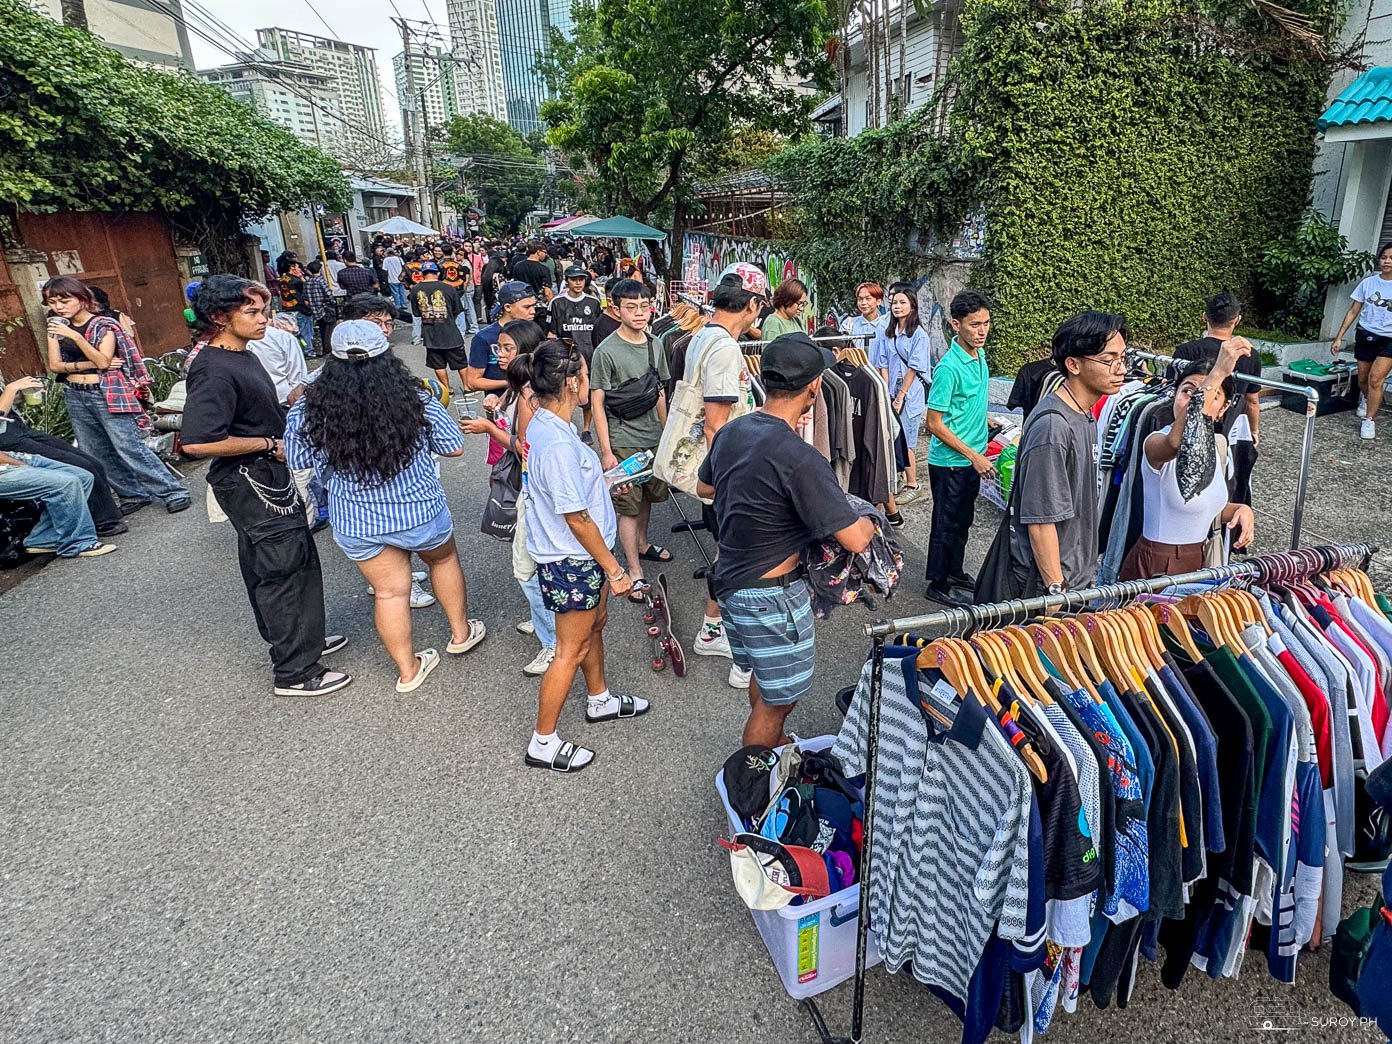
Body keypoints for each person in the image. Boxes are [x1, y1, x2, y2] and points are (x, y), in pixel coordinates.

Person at [285, 321, 486, 692]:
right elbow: (453, 446)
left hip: (356, 519)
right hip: (418, 509)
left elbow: (298, 459)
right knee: (443, 561)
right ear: (386, 356)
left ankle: (408, 671)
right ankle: (461, 634)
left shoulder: (308, 409)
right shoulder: (416, 398)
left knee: (390, 593)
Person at [697, 333, 874, 746]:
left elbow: (705, 488)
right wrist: (869, 519)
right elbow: (854, 540)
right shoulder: (800, 457)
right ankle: (755, 773)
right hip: (770, 596)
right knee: (779, 702)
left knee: (766, 681)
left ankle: (773, 746)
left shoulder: (733, 431)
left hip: (730, 581)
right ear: (814, 386)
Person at [181, 275, 351, 698]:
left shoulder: (243, 354)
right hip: (251, 481)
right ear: (220, 317)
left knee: (293, 560)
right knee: (281, 569)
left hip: (267, 475)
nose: (263, 320)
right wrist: (268, 444)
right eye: (252, 312)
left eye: (265, 310)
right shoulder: (214, 368)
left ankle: (302, 640)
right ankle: (295, 671)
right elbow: (198, 441)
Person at [521, 339, 648, 774]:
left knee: (594, 626)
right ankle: (542, 741)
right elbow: (575, 518)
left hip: (580, 554)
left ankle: (599, 698)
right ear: (572, 383)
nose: (589, 383)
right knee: (568, 650)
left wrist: (606, 481)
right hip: (572, 559)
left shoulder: (549, 425)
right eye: (585, 375)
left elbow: (573, 495)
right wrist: (615, 570)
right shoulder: (556, 441)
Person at [661, 263, 769, 687]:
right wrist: (731, 485)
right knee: (741, 559)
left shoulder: (704, 335)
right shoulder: (725, 348)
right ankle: (735, 647)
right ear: (753, 304)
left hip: (713, 471)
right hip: (724, 474)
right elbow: (716, 426)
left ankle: (712, 629)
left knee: (729, 554)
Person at [41, 277, 191, 514]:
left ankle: (172, 491)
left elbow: (103, 361)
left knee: (129, 446)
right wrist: (85, 364)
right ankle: (132, 494)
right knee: (96, 450)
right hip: (75, 394)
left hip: (106, 392)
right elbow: (55, 365)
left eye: (64, 300)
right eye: (52, 302)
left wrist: (76, 337)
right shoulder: (55, 327)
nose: (58, 307)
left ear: (82, 299)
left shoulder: (103, 325)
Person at [1007, 310, 1129, 596]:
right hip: (1050, 587)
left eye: (1123, 358)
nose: (1121, 369)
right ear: (1073, 364)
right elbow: (1040, 521)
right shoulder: (1053, 427)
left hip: (1075, 580)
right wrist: (1055, 589)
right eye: (1109, 360)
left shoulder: (1084, 414)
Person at [1120, 347, 1257, 580]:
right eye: (1187, 391)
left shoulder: (1216, 447)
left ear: (1224, 408)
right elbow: (1176, 442)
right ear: (1174, 395)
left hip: (1198, 562)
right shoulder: (1156, 442)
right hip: (1157, 565)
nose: (1193, 400)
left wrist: (1241, 509)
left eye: (1213, 395)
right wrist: (1217, 373)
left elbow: (1203, 510)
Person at [589, 278, 671, 598]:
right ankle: (634, 572)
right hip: (623, 438)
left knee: (648, 496)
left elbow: (658, 391)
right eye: (631, 307)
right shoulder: (606, 351)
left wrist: (667, 433)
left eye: (644, 306)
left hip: (653, 436)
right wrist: (606, 451)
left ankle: (643, 543)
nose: (639, 313)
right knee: (628, 506)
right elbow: (597, 402)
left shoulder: (656, 344)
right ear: (616, 309)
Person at [922, 291, 993, 605]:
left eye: (986, 323)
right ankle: (938, 583)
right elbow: (934, 423)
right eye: (974, 325)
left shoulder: (979, 355)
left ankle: (955, 572)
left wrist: (984, 419)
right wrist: (973, 455)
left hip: (970, 460)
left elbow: (962, 405)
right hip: (951, 462)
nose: (982, 330)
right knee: (946, 524)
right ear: (956, 324)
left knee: (962, 521)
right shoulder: (949, 368)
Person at [0, 377, 126, 536]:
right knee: (80, 466)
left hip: (18, 430)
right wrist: (11, 388)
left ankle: (104, 515)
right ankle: (101, 522)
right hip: (7, 442)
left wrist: (18, 395)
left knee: (92, 463)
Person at [1171, 290, 1263, 503]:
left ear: (1204, 317)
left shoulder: (1185, 351)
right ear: (1237, 320)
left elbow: (1171, 393)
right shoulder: (1250, 355)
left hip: (1188, 429)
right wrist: (1254, 430)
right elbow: (1252, 400)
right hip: (1230, 428)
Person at [872, 282, 932, 504]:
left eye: (902, 303)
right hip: (891, 388)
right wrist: (886, 392)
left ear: (912, 305)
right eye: (894, 303)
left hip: (910, 391)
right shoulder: (889, 332)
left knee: (907, 437)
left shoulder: (919, 335)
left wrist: (901, 396)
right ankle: (896, 478)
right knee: (892, 434)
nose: (897, 307)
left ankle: (913, 484)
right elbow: (883, 363)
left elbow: (914, 368)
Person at [0, 448, 116, 558]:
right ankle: (76, 544)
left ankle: (44, 538)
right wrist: (23, 467)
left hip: (7, 456)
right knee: (64, 483)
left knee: (83, 477)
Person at [1330, 241, 1392, 441]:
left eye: (1391, 258)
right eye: (1384, 257)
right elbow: (1353, 311)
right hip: (1366, 334)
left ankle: (1369, 420)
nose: (1387, 261)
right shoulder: (1368, 283)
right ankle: (1367, 398)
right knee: (1363, 380)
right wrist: (1339, 337)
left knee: (1375, 379)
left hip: (1389, 340)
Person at [409, 261, 469, 396]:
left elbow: (416, 313)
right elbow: (457, 309)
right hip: (450, 330)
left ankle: (447, 389)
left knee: (438, 364)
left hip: (430, 333)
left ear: (423, 274)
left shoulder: (415, 290)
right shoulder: (448, 288)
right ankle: (467, 386)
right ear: (437, 273)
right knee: (460, 362)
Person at [468, 281, 537, 396]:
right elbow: (472, 382)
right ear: (508, 307)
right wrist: (511, 383)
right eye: (526, 307)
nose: (533, 311)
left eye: (534, 305)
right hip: (498, 401)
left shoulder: (534, 330)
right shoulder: (484, 337)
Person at [277, 259, 317, 354]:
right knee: (305, 332)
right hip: (300, 308)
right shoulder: (296, 280)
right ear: (292, 267)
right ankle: (308, 350)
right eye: (298, 267)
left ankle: (300, 350)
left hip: (288, 308)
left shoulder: (282, 279)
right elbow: (306, 290)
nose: (300, 269)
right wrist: (302, 278)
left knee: (295, 333)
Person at [440, 247, 479, 338]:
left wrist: (463, 290)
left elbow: (466, 279)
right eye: (457, 254)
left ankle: (473, 327)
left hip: (466, 290)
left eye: (460, 254)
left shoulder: (464, 264)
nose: (458, 256)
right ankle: (467, 328)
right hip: (461, 289)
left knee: (467, 309)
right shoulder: (459, 264)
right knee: (464, 309)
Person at [302, 260, 334, 357]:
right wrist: (332, 302)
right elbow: (328, 294)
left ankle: (323, 349)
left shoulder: (307, 282)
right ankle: (327, 349)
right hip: (325, 308)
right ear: (320, 269)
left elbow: (305, 297)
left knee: (321, 329)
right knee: (328, 330)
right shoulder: (321, 280)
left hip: (314, 310)